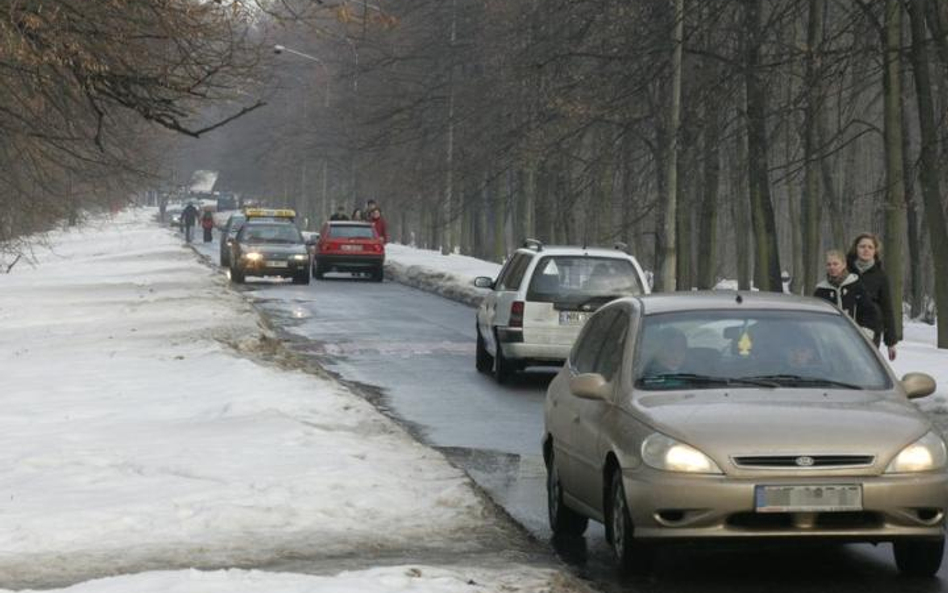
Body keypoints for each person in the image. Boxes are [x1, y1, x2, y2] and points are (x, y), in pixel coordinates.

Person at [847, 233, 900, 361]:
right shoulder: (845, 271)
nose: (866, 250)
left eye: (870, 247)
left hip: (871, 328)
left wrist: (891, 342)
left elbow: (887, 308)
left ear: (875, 251)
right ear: (856, 249)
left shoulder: (881, 276)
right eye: (862, 246)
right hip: (846, 325)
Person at [814, 250, 879, 339]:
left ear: (844, 265)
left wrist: (865, 333)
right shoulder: (820, 291)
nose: (832, 267)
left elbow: (869, 312)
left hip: (853, 339)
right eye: (829, 264)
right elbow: (816, 318)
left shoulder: (856, 286)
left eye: (835, 264)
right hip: (828, 339)